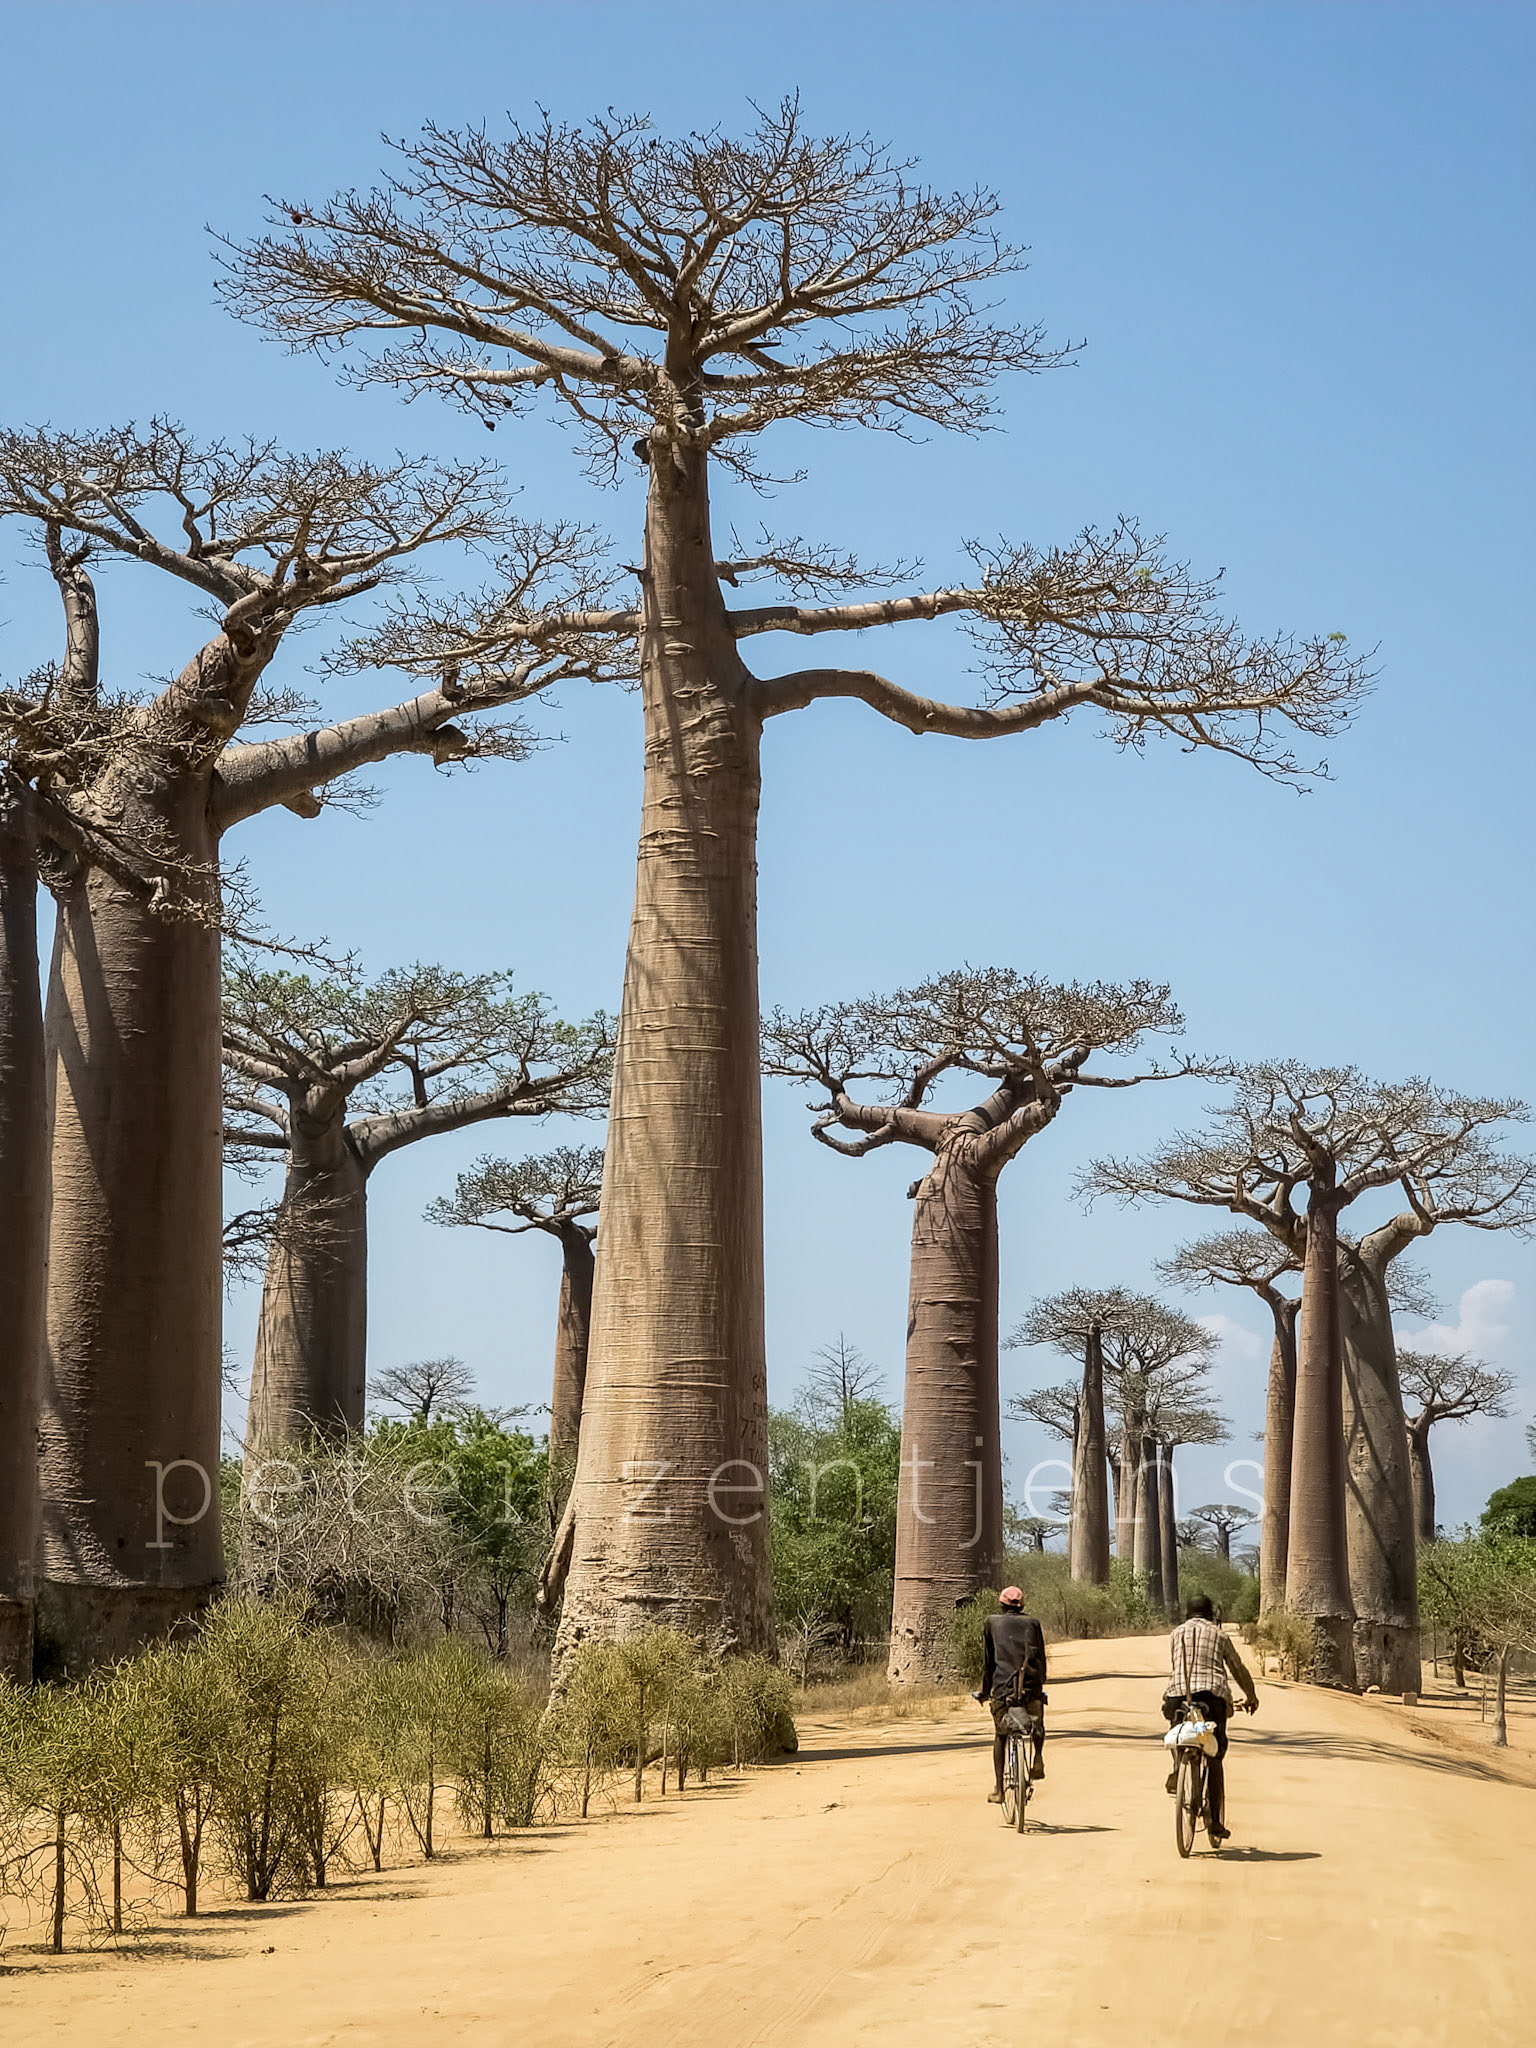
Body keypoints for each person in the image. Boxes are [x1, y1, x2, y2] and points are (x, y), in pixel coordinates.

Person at [1161, 1592, 1258, 1843]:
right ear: (1212, 1614)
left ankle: (1177, 1767)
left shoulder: (1176, 1634)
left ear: (1187, 1613)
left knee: (1179, 1733)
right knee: (1215, 1754)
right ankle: (1215, 1822)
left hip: (1178, 1695)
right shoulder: (1219, 1634)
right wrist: (1251, 1695)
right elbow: (1237, 1667)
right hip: (1212, 1697)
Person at [975, 1587, 1048, 1803]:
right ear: (1022, 1605)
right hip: (1031, 1687)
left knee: (1001, 1735)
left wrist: (984, 1692)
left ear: (1001, 1605)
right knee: (1037, 1724)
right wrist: (1038, 1685)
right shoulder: (1033, 1623)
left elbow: (989, 1662)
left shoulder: (992, 1623)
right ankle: (1037, 1757)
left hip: (1002, 1689)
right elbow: (1041, 1658)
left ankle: (999, 1789)